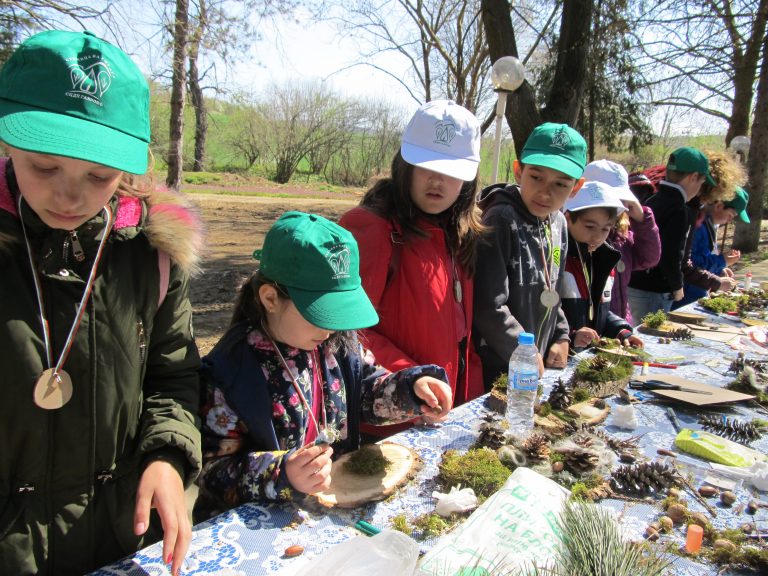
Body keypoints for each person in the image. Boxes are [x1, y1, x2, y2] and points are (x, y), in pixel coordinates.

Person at [0, 31, 202, 576]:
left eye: (99, 176)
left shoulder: (151, 254)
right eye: (43, 167)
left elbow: (173, 376)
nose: (69, 196)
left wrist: (167, 454)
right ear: (7, 142)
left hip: (117, 540)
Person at [194, 211, 452, 519]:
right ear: (270, 298)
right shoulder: (231, 372)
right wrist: (282, 473)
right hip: (267, 526)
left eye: (339, 312)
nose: (331, 328)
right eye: (321, 313)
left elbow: (365, 391)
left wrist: (411, 388)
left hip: (338, 502)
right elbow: (211, 471)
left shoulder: (336, 342)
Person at [339, 100, 484, 437]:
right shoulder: (371, 229)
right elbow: (346, 332)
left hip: (445, 416)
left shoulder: (459, 233)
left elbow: (462, 335)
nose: (437, 181)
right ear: (404, 164)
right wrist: (411, 379)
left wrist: (468, 399)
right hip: (389, 424)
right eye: (425, 166)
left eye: (452, 172)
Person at [473, 123, 586, 391]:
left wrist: (560, 335)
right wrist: (521, 351)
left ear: (576, 187)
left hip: (536, 358)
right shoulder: (501, 219)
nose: (546, 193)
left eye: (560, 184)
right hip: (499, 363)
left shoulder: (558, 223)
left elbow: (553, 289)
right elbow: (488, 305)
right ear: (518, 170)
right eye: (536, 177)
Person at [627, 146, 715, 322]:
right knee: (649, 338)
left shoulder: (654, 199)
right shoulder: (679, 209)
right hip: (654, 289)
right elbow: (672, 253)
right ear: (693, 177)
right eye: (701, 183)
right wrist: (677, 285)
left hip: (634, 283)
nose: (699, 189)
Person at [559, 181, 643, 349]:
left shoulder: (604, 260)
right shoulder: (556, 260)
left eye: (605, 229)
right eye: (590, 226)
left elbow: (599, 313)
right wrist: (570, 335)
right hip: (556, 355)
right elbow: (541, 316)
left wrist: (620, 330)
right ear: (567, 218)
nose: (597, 237)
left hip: (585, 357)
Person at [582, 159, 660, 326]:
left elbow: (649, 259)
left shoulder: (621, 236)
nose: (621, 206)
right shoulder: (581, 238)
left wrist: (643, 219)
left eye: (623, 200)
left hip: (620, 324)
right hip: (590, 328)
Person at [674, 187, 749, 308]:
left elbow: (705, 256)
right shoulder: (698, 226)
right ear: (719, 206)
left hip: (696, 291)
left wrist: (719, 270)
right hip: (685, 296)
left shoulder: (709, 225)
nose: (730, 220)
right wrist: (722, 261)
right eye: (730, 215)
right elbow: (690, 262)